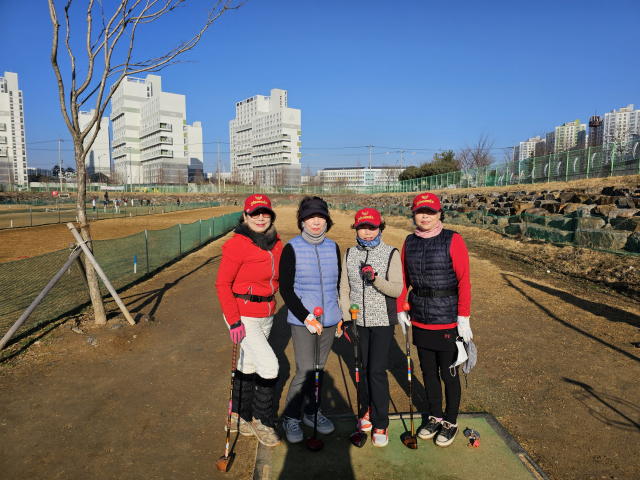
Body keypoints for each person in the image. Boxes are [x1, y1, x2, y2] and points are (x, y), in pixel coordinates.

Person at [396, 193, 471, 447]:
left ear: (440, 214)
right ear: (414, 214)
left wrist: (463, 317)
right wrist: (400, 307)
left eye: (430, 211)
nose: (424, 216)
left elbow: (464, 281)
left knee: (449, 374)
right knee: (428, 372)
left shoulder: (453, 239)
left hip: (448, 320)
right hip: (420, 318)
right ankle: (435, 416)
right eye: (419, 211)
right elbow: (403, 277)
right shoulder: (409, 241)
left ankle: (450, 421)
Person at [215, 194, 283, 448]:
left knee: (250, 364)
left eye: (265, 213)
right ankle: (261, 420)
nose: (261, 217)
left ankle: (238, 416)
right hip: (242, 314)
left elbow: (276, 279)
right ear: (245, 216)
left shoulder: (276, 244)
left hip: (266, 312)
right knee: (270, 366)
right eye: (255, 213)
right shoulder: (237, 244)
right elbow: (222, 284)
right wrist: (233, 321)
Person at [279, 196, 341, 444]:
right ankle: (291, 417)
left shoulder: (334, 247)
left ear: (327, 219)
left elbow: (336, 285)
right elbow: (286, 289)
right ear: (302, 221)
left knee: (318, 369)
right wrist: (306, 317)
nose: (316, 222)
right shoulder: (291, 248)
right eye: (310, 217)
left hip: (329, 320)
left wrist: (338, 316)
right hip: (302, 320)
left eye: (320, 217)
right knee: (305, 369)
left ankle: (312, 412)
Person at [339, 208, 402, 447]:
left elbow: (396, 290)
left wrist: (375, 278)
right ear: (356, 228)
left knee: (376, 371)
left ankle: (380, 422)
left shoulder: (390, 253)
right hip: (358, 322)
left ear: (380, 228)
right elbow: (344, 289)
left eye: (372, 227)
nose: (367, 232)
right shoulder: (349, 254)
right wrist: (347, 320)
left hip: (382, 322)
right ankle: (366, 410)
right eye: (362, 227)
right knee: (363, 370)